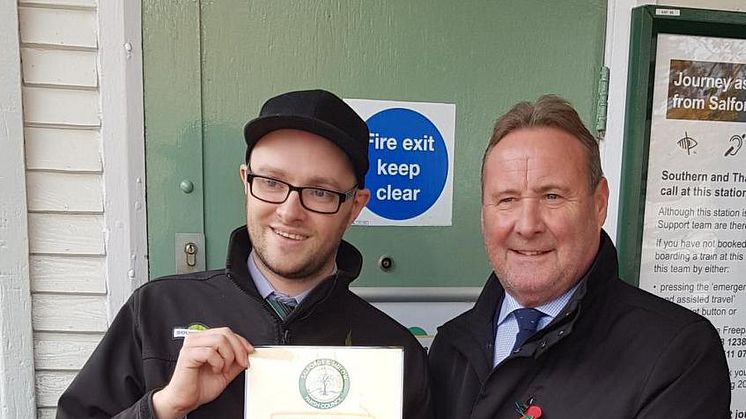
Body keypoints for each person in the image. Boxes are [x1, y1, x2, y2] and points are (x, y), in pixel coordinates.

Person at [57, 89, 433, 419]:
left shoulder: (396, 353)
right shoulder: (155, 311)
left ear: (355, 207)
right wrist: (164, 407)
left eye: (320, 192)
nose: (289, 211)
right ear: (245, 181)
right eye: (271, 182)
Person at [428, 95, 730, 418]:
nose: (528, 225)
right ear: (484, 213)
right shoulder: (450, 348)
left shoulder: (677, 356)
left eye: (552, 196)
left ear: (599, 204)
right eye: (507, 199)